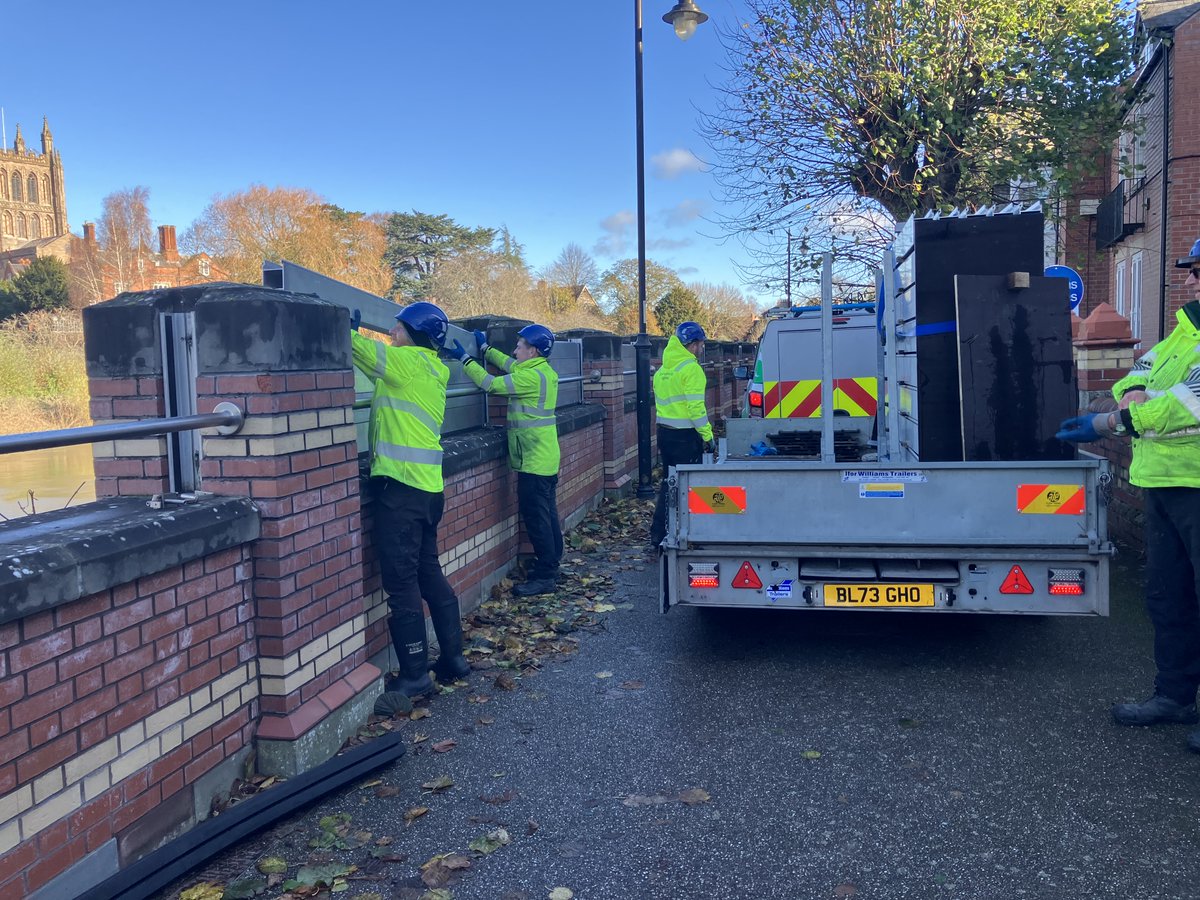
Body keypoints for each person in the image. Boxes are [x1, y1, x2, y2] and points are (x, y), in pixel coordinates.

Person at [1057, 235, 1200, 751]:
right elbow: (1135, 373)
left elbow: (1183, 408)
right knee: (1168, 598)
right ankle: (1175, 696)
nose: (1187, 281)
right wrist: (1128, 399)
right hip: (1161, 484)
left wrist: (1114, 418)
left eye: (1197, 272)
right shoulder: (1182, 337)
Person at [350, 303, 470, 698]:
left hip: (401, 491)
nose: (391, 335)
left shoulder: (406, 363)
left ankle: (415, 676)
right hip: (428, 489)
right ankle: (453, 658)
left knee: (401, 583)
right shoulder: (431, 368)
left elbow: (358, 349)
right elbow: (373, 366)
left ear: (413, 336)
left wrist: (343, 330)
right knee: (427, 572)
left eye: (397, 329)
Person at [447, 323, 563, 597]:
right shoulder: (540, 371)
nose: (515, 349)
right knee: (548, 516)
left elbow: (490, 384)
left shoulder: (530, 378)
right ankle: (551, 565)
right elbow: (510, 364)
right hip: (543, 457)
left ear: (533, 351)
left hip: (534, 461)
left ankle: (546, 576)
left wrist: (466, 359)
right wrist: (486, 350)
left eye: (520, 345)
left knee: (538, 520)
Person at [649, 321, 714, 549]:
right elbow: (696, 409)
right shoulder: (691, 370)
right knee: (689, 487)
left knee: (669, 483)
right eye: (700, 344)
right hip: (686, 437)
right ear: (692, 345)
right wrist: (707, 436)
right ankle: (688, 532)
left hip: (665, 434)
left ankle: (659, 533)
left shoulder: (663, 371)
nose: (702, 348)